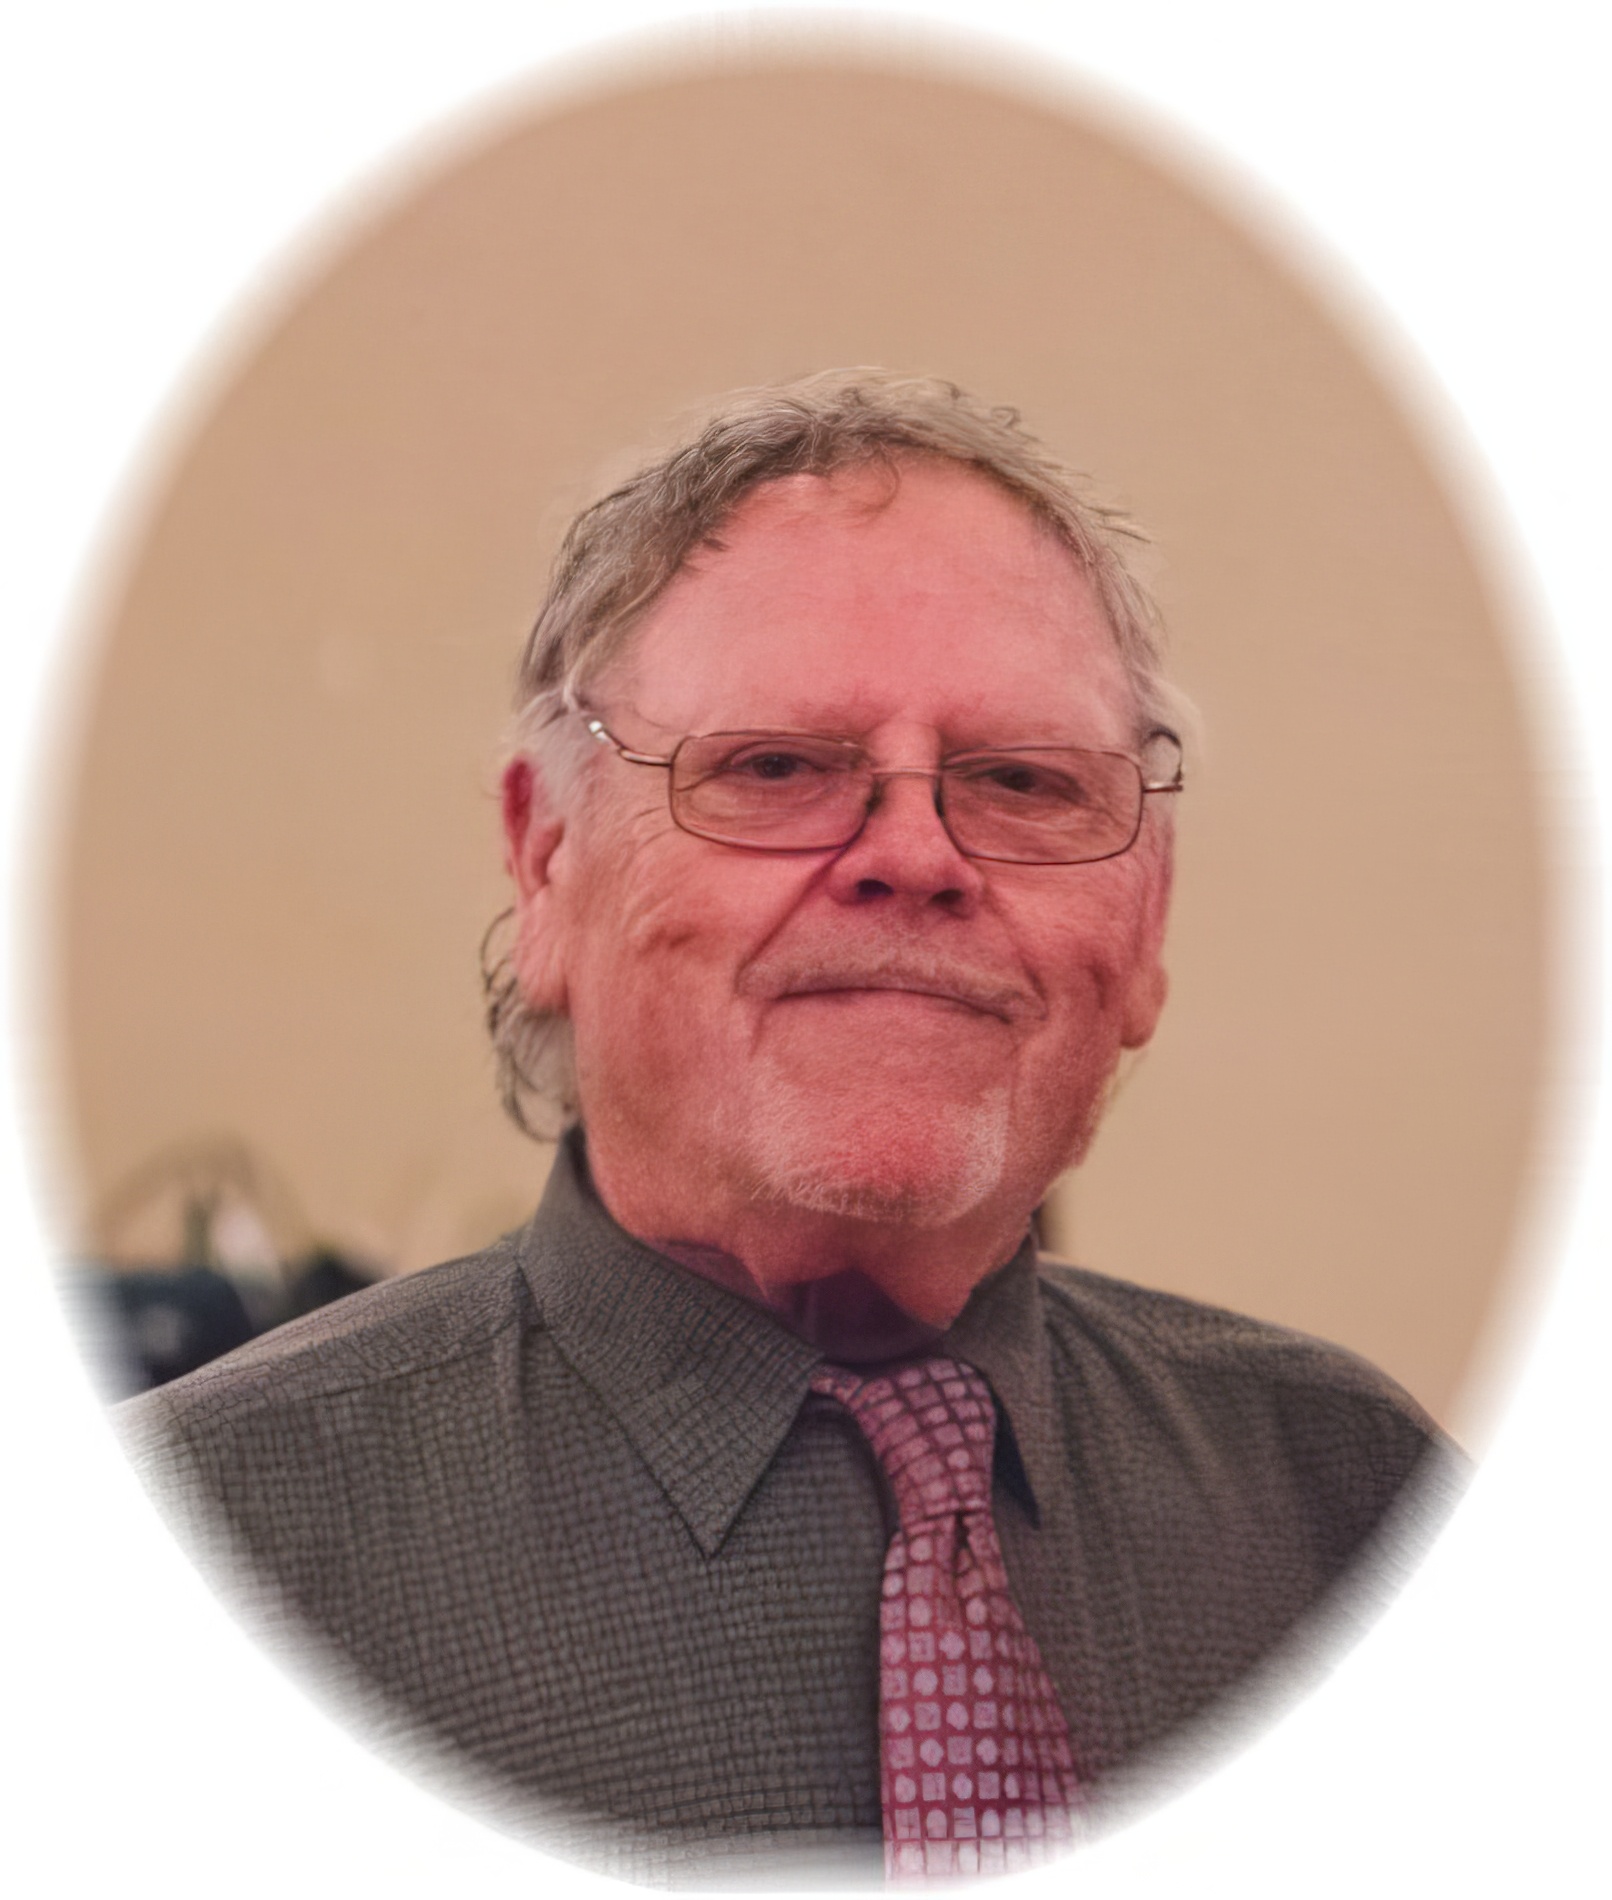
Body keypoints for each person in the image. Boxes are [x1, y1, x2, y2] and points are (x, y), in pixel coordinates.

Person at [118, 370, 1461, 1887]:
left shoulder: (1360, 1512)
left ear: (1144, 924)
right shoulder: (181, 1564)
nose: (917, 854)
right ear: (547, 862)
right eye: (776, 768)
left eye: (1024, 782)